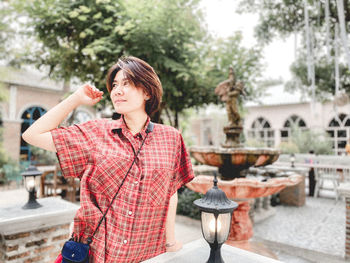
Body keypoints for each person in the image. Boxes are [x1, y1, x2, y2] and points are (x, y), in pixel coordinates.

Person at [22, 56, 195, 262]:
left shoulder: (171, 138)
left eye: (127, 83)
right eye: (115, 85)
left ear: (147, 92)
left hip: (148, 253)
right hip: (99, 252)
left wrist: (170, 242)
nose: (117, 90)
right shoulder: (96, 132)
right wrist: (76, 98)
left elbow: (171, 191)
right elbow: (32, 135)